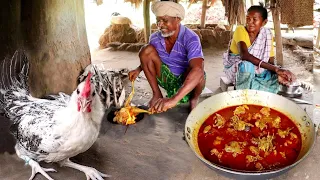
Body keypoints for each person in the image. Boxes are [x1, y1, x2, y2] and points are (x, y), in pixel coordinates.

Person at [128, 1, 205, 113]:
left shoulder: (191, 38)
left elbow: (198, 70)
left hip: (185, 80)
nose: (160, 25)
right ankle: (157, 94)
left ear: (177, 19)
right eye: (158, 21)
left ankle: (193, 99)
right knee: (146, 50)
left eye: (164, 20)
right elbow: (149, 58)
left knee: (199, 74)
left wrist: (173, 100)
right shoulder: (154, 38)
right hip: (166, 78)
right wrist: (138, 69)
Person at [223, 4, 296, 93]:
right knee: (246, 65)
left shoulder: (267, 34)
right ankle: (242, 93)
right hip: (238, 70)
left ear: (264, 22)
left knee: (277, 77)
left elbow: (270, 61)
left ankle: (253, 89)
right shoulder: (240, 30)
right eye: (248, 18)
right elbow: (244, 56)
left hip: (259, 71)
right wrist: (276, 69)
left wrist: (277, 73)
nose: (250, 22)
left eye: (254, 19)